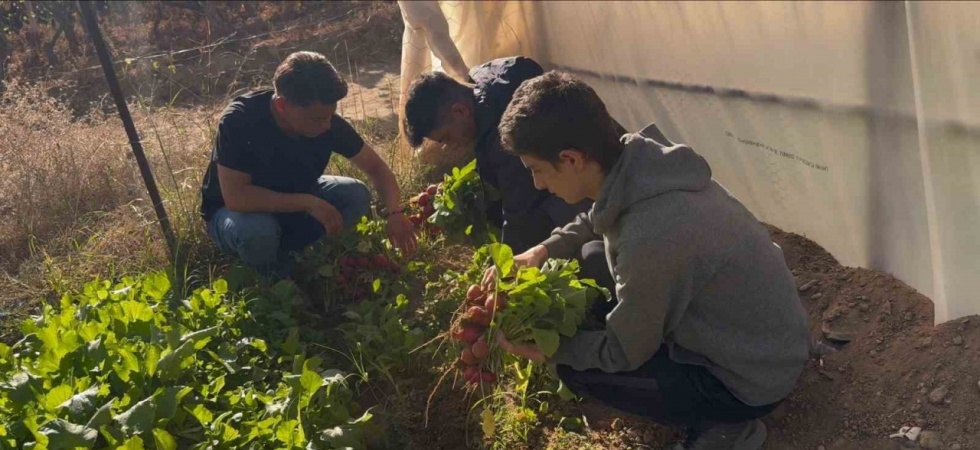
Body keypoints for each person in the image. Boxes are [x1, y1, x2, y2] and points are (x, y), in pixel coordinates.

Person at [486, 71, 810, 450]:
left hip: (750, 380)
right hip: (768, 339)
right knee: (592, 255)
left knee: (576, 369)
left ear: (570, 159)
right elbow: (599, 217)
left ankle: (729, 426)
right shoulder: (640, 161)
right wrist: (541, 251)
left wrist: (551, 351)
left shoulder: (651, 236)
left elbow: (623, 352)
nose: (538, 185)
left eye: (537, 171)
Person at [199, 51, 417, 277]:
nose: (326, 125)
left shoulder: (325, 120)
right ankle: (273, 281)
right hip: (236, 213)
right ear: (282, 106)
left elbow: (377, 169)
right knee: (257, 231)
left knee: (356, 194)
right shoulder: (240, 121)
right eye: (317, 119)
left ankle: (318, 261)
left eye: (330, 115)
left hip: (298, 195)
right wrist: (308, 203)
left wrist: (394, 213)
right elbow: (237, 198)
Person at [402, 56, 596, 255]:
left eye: (446, 138)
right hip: (572, 171)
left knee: (560, 233)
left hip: (585, 194)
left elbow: (519, 214)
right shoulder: (485, 79)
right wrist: (454, 190)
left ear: (460, 111)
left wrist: (506, 268)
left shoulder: (506, 136)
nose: (449, 147)